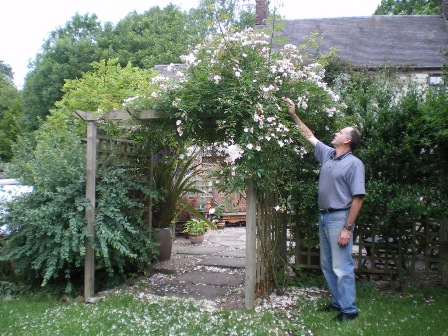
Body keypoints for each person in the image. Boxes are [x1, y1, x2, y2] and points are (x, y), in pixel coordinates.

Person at [284, 97, 365, 322]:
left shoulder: (354, 164)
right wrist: (293, 114)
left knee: (342, 265)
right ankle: (338, 303)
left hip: (340, 218)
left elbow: (358, 198)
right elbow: (309, 136)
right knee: (328, 264)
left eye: (340, 132)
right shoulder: (329, 155)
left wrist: (347, 228)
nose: (335, 134)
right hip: (324, 217)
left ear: (347, 139)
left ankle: (349, 310)